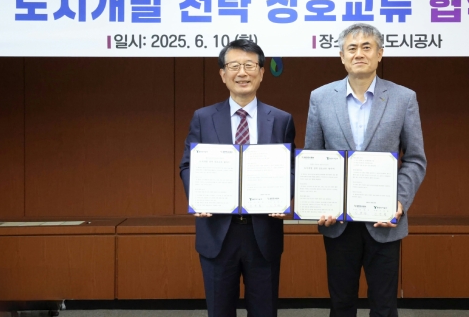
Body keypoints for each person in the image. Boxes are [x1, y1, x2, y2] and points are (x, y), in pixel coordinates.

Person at [304, 23, 427, 317]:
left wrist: (399, 202)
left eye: (366, 47)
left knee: (384, 306)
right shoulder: (320, 97)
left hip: (384, 220)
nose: (359, 53)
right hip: (338, 223)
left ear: (380, 54)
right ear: (341, 56)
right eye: (352, 48)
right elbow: (313, 158)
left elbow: (414, 159)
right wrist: (319, 203)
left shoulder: (403, 98)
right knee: (341, 304)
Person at [179, 39, 296, 317]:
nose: (242, 73)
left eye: (249, 65)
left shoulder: (281, 119)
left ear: (262, 72)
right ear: (223, 74)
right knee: (219, 311)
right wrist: (198, 198)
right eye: (234, 66)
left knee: (264, 311)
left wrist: (285, 197)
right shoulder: (203, 118)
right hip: (217, 231)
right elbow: (187, 165)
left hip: (263, 232)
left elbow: (291, 167)